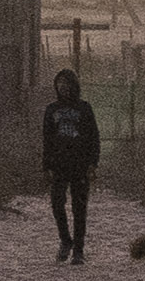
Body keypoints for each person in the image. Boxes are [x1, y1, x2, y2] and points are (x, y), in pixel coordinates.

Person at [39, 66, 101, 265]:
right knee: (57, 204)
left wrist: (93, 163)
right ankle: (66, 240)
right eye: (60, 84)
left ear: (74, 86)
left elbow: (94, 138)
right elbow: (47, 139)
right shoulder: (51, 110)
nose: (63, 88)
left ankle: (79, 250)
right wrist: (46, 165)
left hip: (80, 165)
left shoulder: (84, 108)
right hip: (58, 165)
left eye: (66, 84)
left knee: (79, 208)